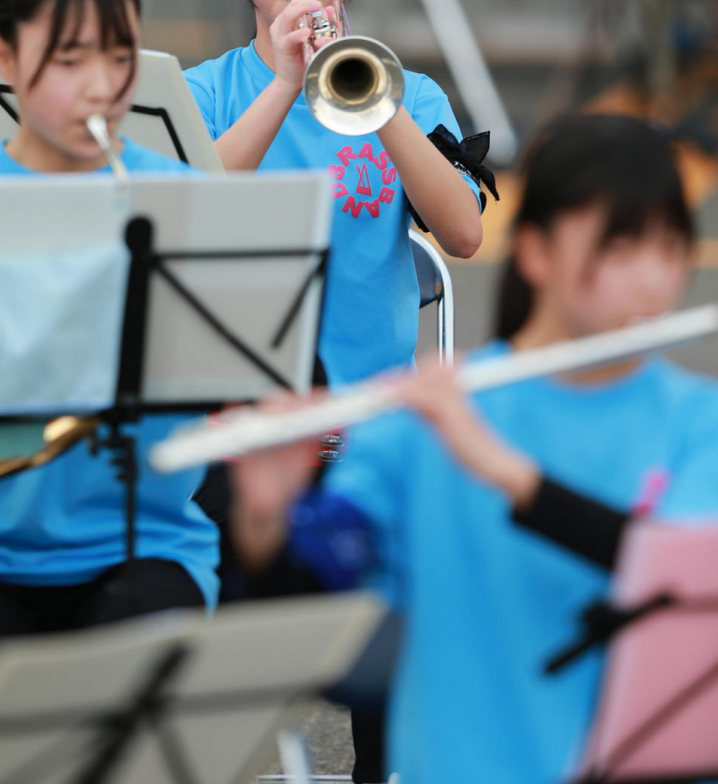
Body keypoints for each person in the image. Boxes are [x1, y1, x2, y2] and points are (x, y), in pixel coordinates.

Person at [229, 113, 718, 784]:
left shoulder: (698, 422)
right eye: (619, 250)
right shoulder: (423, 423)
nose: (651, 281)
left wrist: (506, 473)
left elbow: (676, 570)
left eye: (668, 250)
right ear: (536, 252)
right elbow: (322, 614)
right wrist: (267, 520)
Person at [0, 0, 219, 727]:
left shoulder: (184, 202)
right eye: (69, 60)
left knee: (125, 721)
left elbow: (242, 386)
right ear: (4, 58)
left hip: (146, 545)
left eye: (120, 57)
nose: (101, 87)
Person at [185, 0, 490, 390]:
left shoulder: (413, 96)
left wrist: (375, 97)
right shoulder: (204, 92)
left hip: (368, 409)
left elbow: (464, 235)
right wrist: (284, 84)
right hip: (234, 408)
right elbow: (185, 216)